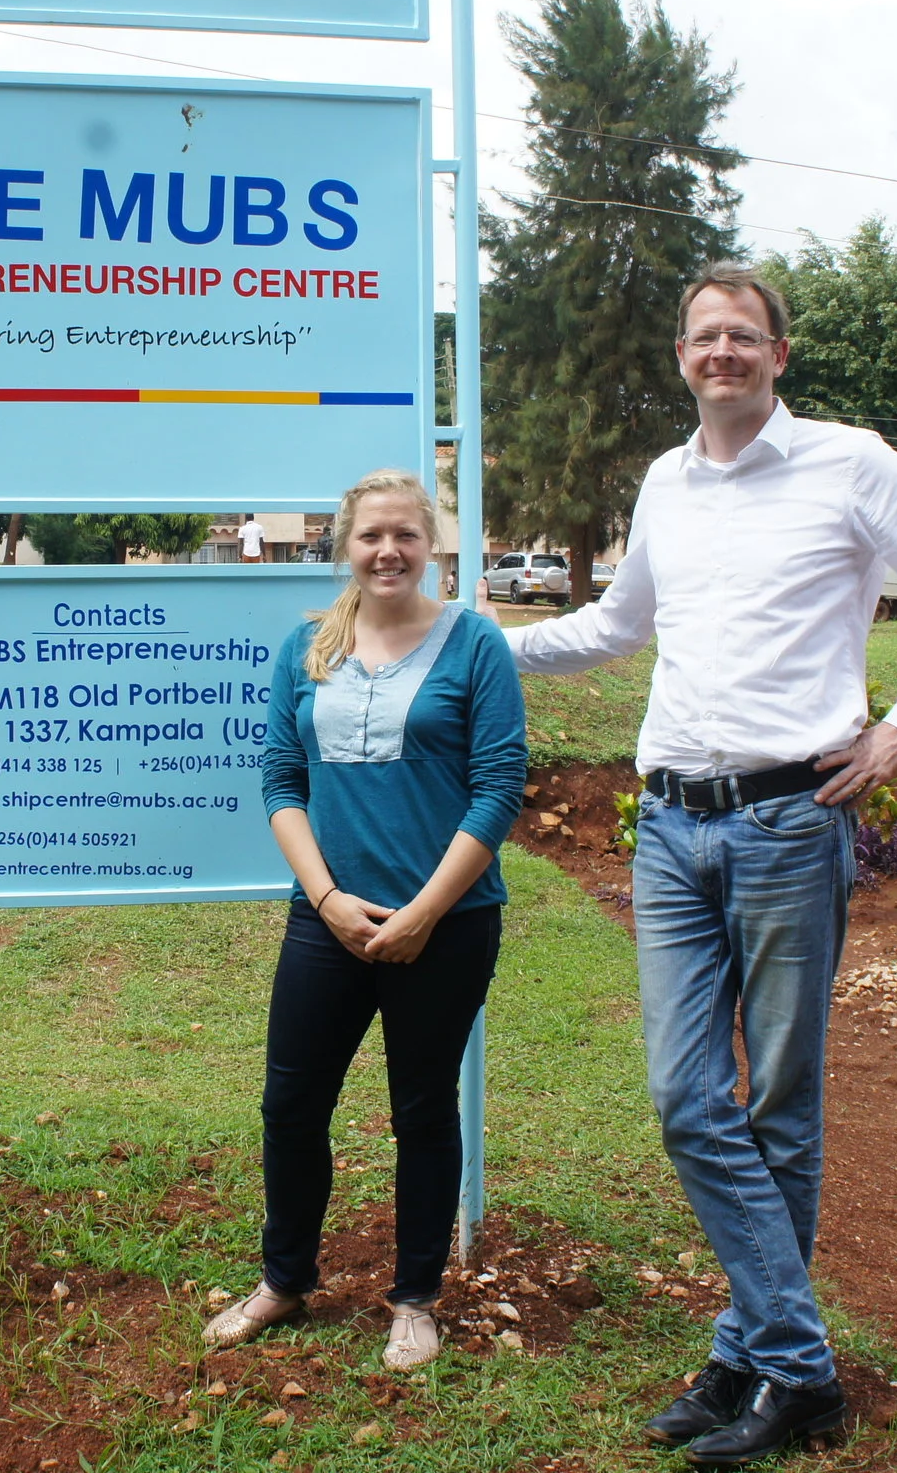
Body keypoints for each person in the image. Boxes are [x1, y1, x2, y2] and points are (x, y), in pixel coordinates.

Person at [505, 264, 897, 1466]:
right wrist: (476, 638)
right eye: (703, 336)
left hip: (792, 819)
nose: (722, 351)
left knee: (779, 1103)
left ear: (777, 354)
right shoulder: (664, 485)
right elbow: (615, 627)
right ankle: (793, 1360)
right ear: (680, 356)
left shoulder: (850, 464)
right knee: (690, 1097)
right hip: (672, 827)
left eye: (744, 335)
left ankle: (757, 1357)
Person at [206, 469, 527, 1373]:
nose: (389, 552)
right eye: (370, 536)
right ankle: (283, 1280)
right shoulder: (305, 648)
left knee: (423, 1114)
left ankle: (416, 1299)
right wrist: (327, 899)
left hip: (448, 924)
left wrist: (427, 912)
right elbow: (281, 781)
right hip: (329, 923)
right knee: (291, 1104)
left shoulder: (475, 646)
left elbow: (499, 788)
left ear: (431, 546)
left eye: (406, 536)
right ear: (343, 545)